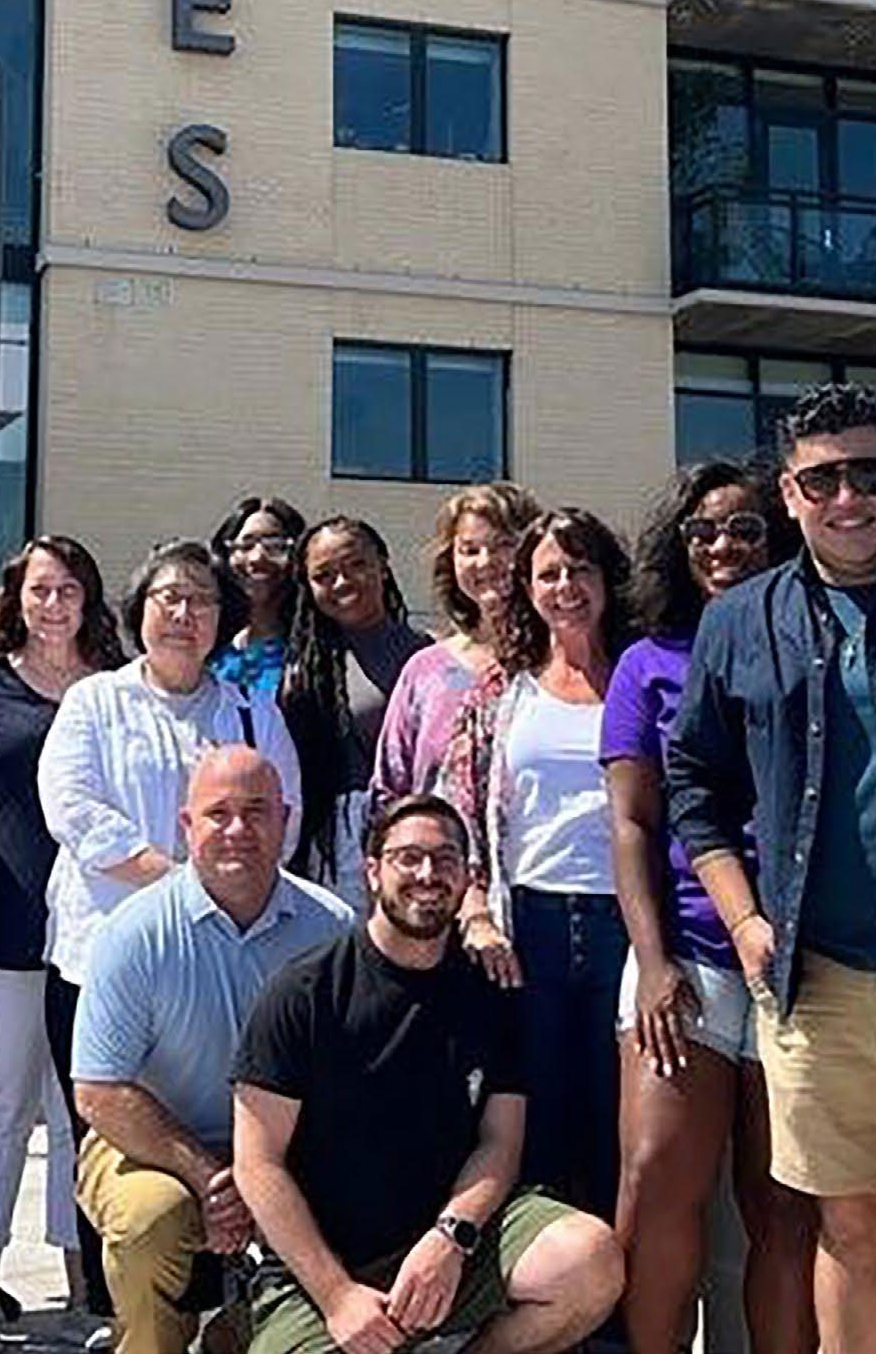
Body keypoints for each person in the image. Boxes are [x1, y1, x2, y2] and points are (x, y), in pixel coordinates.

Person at [667, 381, 876, 1354]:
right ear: (788, 495)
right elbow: (693, 780)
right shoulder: (739, 620)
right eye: (821, 480)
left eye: (868, 474)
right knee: (852, 1226)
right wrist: (743, 918)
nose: (846, 498)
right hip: (815, 973)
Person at [232, 792, 624, 1354]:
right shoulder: (304, 993)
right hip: (326, 1267)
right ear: (373, 871)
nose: (427, 874)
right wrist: (337, 1296)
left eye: (444, 859)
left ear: (466, 878)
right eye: (408, 858)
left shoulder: (489, 993)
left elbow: (500, 1143)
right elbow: (258, 1164)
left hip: (452, 1243)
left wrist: (451, 1236)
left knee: (590, 1261)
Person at [37, 538, 303, 1285]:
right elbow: (74, 810)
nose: (184, 614)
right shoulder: (95, 700)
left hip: (229, 953)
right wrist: (183, 884)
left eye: (202, 600)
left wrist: (219, 893)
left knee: (221, 1117)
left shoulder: (251, 712)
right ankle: (106, 1298)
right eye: (169, 598)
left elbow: (284, 813)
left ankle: (226, 1288)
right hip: (103, 954)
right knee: (104, 1122)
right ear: (140, 611)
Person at [605, 460, 815, 1354]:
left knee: (783, 1208)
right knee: (656, 1182)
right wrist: (653, 964)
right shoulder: (646, 662)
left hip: (801, 963)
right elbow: (630, 824)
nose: (722, 546)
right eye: (702, 531)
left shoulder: (810, 641)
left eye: (743, 529)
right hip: (685, 957)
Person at [71, 747, 352, 1354]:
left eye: (256, 811)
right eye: (218, 813)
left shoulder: (332, 929)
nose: (237, 829)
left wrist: (265, 1176)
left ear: (285, 820)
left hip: (288, 1150)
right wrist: (211, 1179)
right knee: (149, 1219)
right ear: (186, 825)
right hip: (153, 1148)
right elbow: (98, 1092)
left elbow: (354, 1076)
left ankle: (243, 1332)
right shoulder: (133, 933)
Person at [0, 536, 124, 1348]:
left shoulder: (115, 687)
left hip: (96, 936)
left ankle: (85, 1293)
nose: (53, 604)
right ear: (15, 598)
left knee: (82, 1112)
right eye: (39, 589)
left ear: (89, 600)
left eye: (68, 589)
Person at [444, 509, 635, 1227]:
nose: (565, 587)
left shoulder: (641, 674)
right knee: (538, 1121)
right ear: (526, 587)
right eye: (548, 574)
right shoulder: (503, 690)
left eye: (579, 569)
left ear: (607, 579)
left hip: (627, 925)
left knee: (621, 1126)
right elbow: (458, 804)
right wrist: (475, 911)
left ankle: (622, 1292)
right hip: (530, 928)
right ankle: (547, 1282)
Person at [369, 482, 541, 817]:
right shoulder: (425, 671)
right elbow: (390, 787)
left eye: (503, 545)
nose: (485, 562)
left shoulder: (560, 663)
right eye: (469, 550)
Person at [280, 520, 424, 910]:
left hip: (405, 837)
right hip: (324, 851)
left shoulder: (424, 657)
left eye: (356, 564)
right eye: (323, 575)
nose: (342, 582)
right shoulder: (302, 668)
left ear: (383, 565)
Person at [211, 498, 307, 697]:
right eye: (246, 546)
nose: (257, 558)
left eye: (274, 545)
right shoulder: (208, 642)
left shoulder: (314, 648)